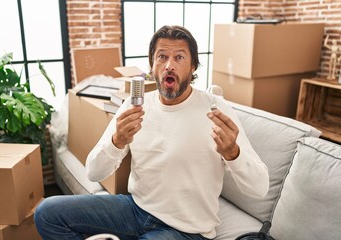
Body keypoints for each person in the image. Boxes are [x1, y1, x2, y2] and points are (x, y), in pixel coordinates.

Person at [35, 25, 269, 240]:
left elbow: (260, 189)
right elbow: (94, 172)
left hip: (186, 230)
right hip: (135, 210)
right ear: (152, 65)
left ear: (193, 66)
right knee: (46, 213)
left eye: (179, 57)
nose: (169, 65)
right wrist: (117, 142)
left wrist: (232, 153)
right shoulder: (134, 106)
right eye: (162, 57)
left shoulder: (216, 110)